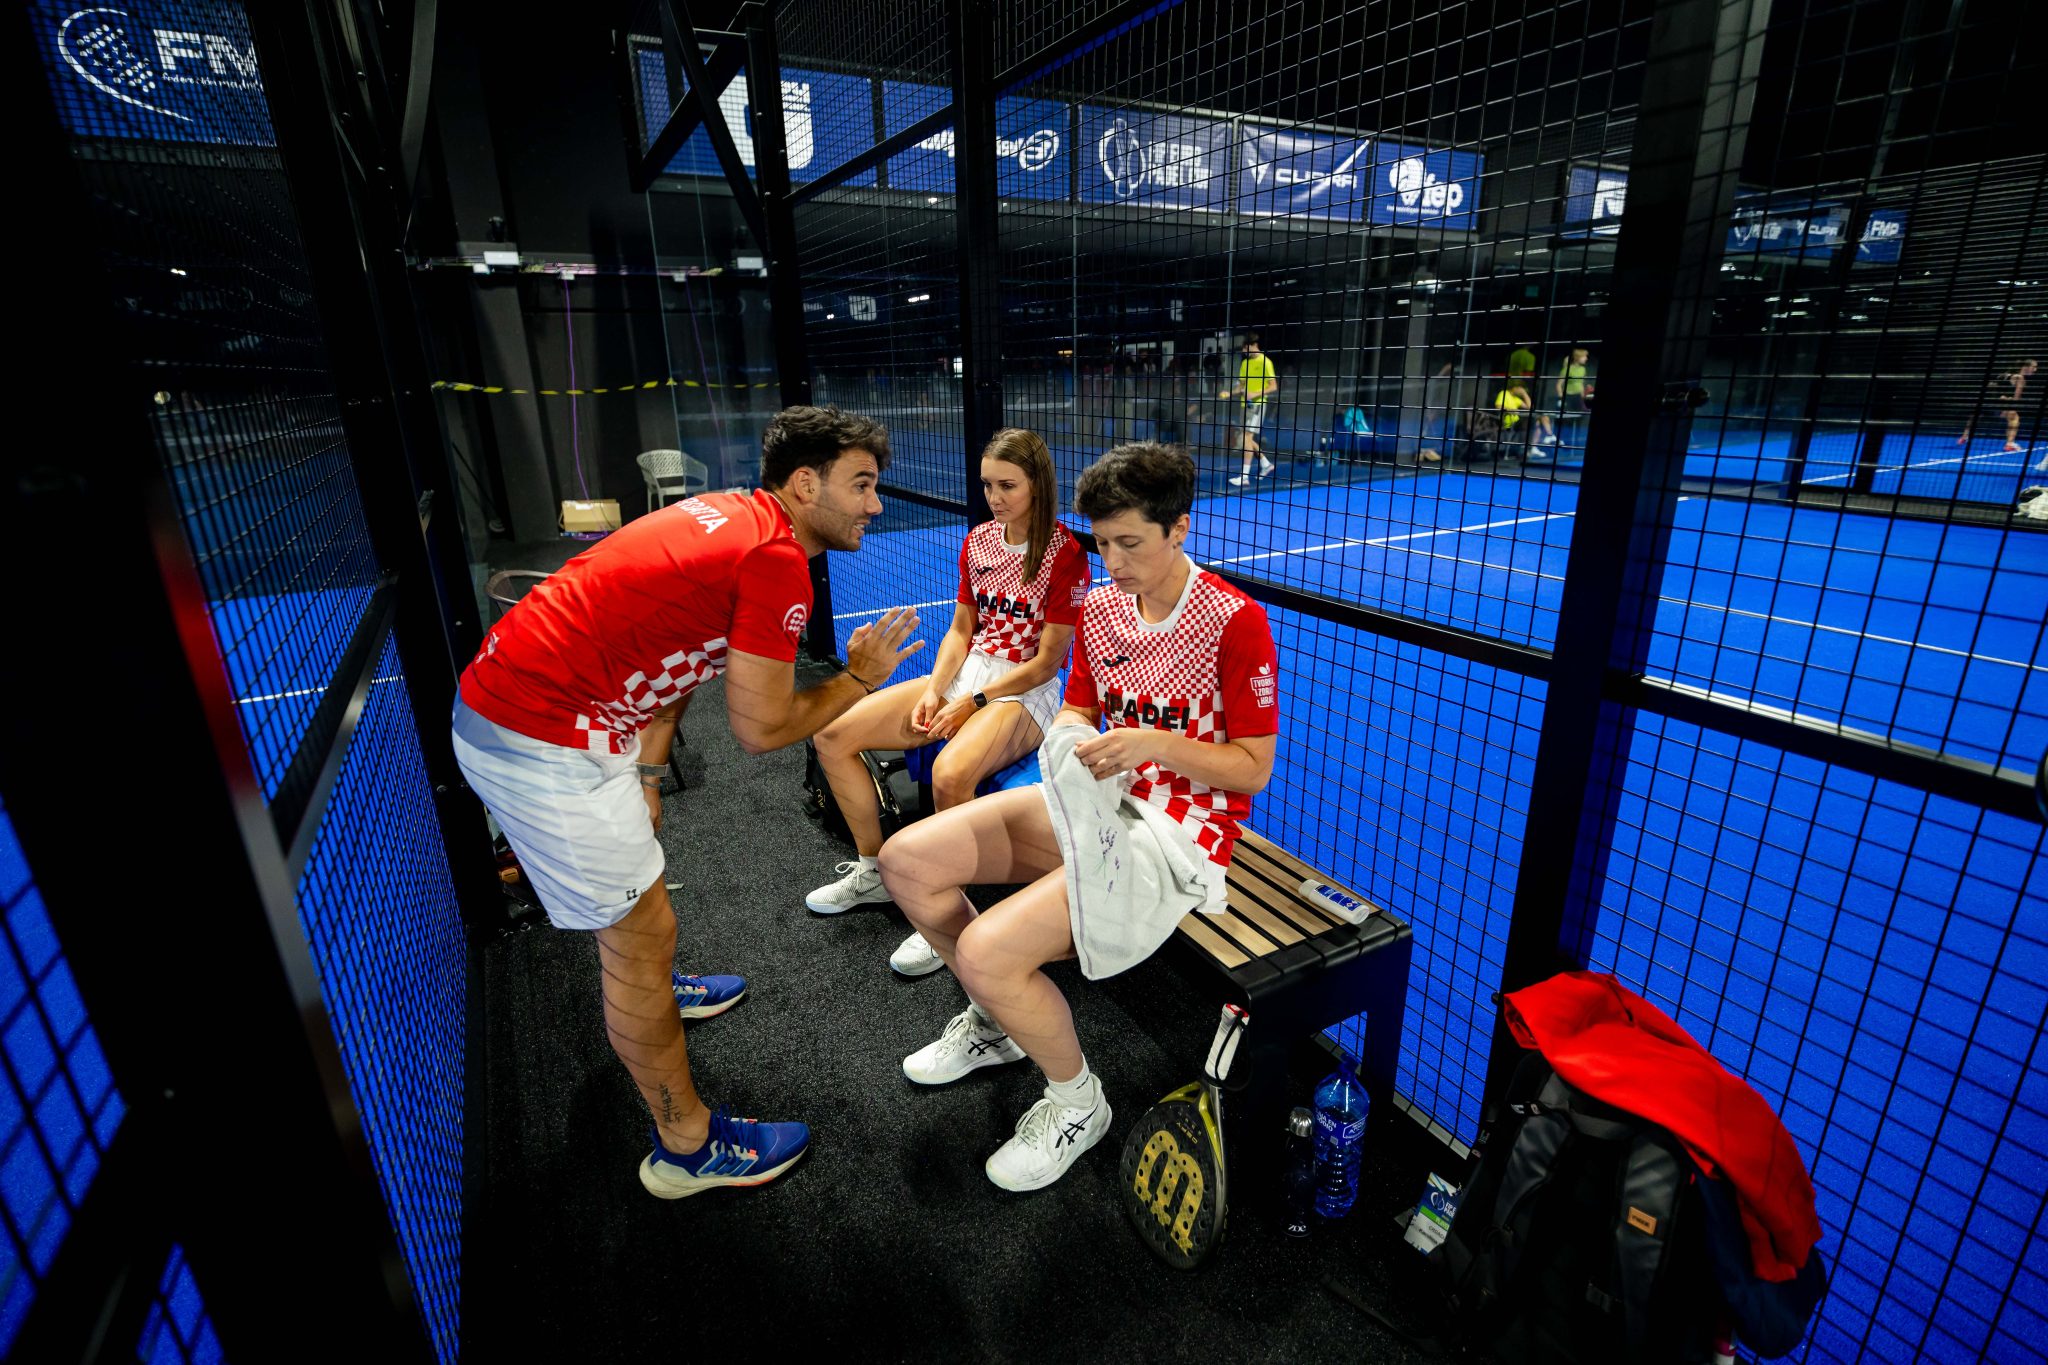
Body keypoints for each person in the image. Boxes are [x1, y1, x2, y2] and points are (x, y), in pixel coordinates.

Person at [451, 406, 924, 1200]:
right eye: (862, 485)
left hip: (545, 714)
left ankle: (662, 995)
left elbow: (679, 648)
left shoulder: (734, 515)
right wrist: (858, 679)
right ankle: (687, 1145)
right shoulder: (775, 558)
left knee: (647, 925)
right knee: (638, 940)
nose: (876, 504)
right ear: (805, 484)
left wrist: (646, 774)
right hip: (543, 743)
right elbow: (762, 728)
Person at [876, 442, 1280, 1191]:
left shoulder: (1234, 620)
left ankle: (1077, 1102)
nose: (1113, 562)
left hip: (1179, 832)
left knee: (986, 951)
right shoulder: (1101, 607)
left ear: (1179, 529)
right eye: (1103, 544)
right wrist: (1070, 737)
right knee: (905, 861)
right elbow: (1077, 707)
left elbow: (1253, 766)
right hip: (1101, 801)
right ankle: (997, 1023)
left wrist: (1151, 743)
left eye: (1130, 542)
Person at [806, 429, 1090, 978]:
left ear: (1038, 484)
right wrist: (937, 689)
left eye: (1008, 485)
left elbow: (1048, 662)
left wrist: (974, 702)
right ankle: (873, 871)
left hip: (1024, 693)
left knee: (951, 774)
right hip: (969, 674)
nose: (994, 497)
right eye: (987, 485)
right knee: (832, 736)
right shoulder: (978, 540)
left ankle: (943, 917)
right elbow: (961, 629)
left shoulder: (1066, 555)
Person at [1222, 332, 1280, 485]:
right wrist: (1229, 393)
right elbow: (1241, 386)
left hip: (1257, 405)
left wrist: (1255, 394)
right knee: (1247, 438)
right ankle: (1265, 464)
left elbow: (1273, 386)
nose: (1243, 351)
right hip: (1244, 405)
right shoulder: (1245, 364)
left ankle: (1244, 477)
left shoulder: (1266, 362)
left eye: (1246, 348)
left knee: (1246, 438)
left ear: (1254, 345)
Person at [1958, 359, 2037, 459]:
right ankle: (2010, 444)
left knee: (1975, 416)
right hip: (1999, 403)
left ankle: (1964, 436)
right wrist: (2007, 400)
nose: (2035, 369)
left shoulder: (2004, 375)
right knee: (2014, 418)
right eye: (2034, 367)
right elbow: (2016, 398)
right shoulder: (2020, 378)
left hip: (1986, 401)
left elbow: (1991, 385)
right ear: (2025, 367)